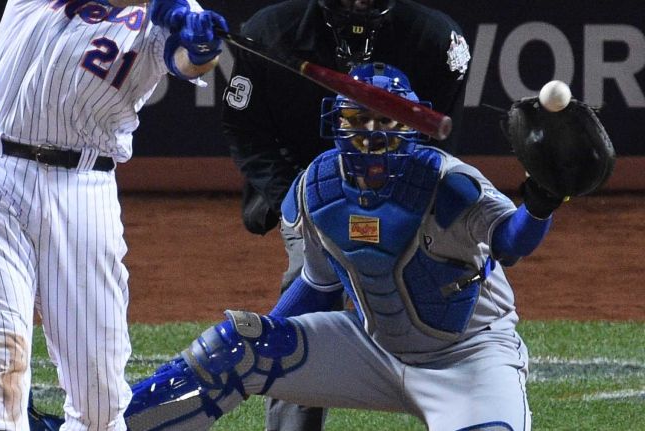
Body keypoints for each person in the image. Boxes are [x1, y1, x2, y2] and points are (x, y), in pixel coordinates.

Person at [119, 62, 569, 430]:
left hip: (468, 358)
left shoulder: (450, 185)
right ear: (337, 123)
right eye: (359, 119)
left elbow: (511, 243)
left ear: (411, 124)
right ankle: (103, 426)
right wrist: (265, 348)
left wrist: (541, 202)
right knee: (236, 347)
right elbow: (317, 286)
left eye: (386, 121)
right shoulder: (318, 189)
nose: (372, 134)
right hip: (374, 351)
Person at [0, 0, 228, 429]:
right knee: (1, 354)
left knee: (100, 395)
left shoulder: (178, 8)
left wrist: (201, 47)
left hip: (84, 186)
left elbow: (185, 63)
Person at [221, 0, 470, 428]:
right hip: (303, 183)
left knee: (439, 304)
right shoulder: (269, 32)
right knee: (305, 316)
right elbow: (247, 132)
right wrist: (295, 197)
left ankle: (470, 408)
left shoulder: (437, 41)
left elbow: (431, 142)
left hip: (402, 187)